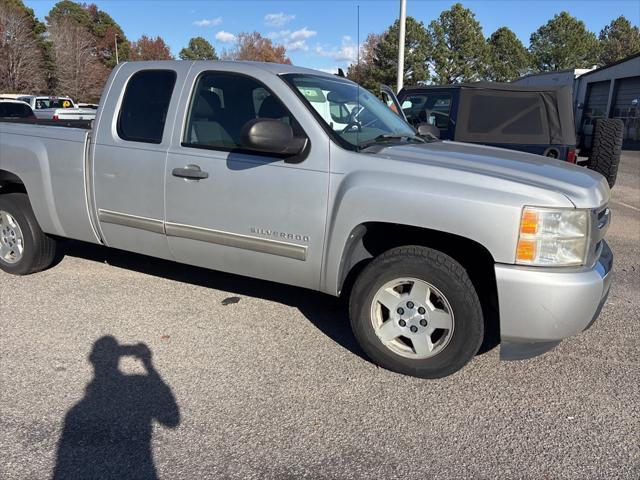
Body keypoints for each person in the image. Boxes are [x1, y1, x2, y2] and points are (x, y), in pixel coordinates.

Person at [52, 336, 180, 480]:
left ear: (92, 360)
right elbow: (171, 419)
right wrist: (148, 365)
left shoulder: (77, 412)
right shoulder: (138, 387)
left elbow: (63, 464)